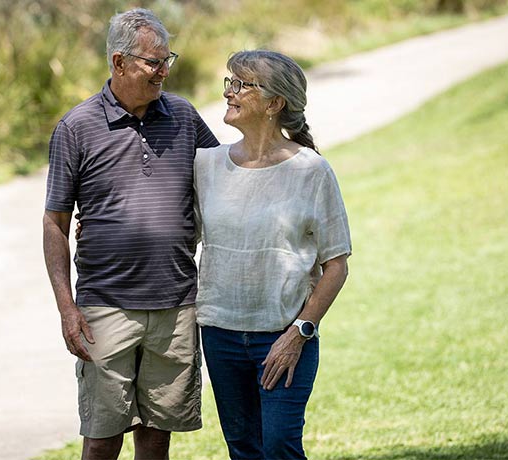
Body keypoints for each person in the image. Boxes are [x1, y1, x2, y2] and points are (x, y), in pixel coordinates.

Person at [42, 8, 219, 460]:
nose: (163, 71)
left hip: (175, 303)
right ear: (119, 63)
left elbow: (225, 180)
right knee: (103, 437)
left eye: (166, 61)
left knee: (157, 435)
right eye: (152, 62)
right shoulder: (76, 128)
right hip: (105, 306)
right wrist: (67, 307)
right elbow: (55, 223)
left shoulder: (183, 116)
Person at [194, 50, 352, 460]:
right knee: (243, 449)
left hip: (284, 336)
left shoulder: (312, 171)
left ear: (274, 104)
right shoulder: (206, 165)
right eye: (230, 82)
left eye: (243, 85)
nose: (230, 92)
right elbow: (174, 232)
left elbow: (336, 264)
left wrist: (300, 331)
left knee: (280, 446)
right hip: (220, 333)